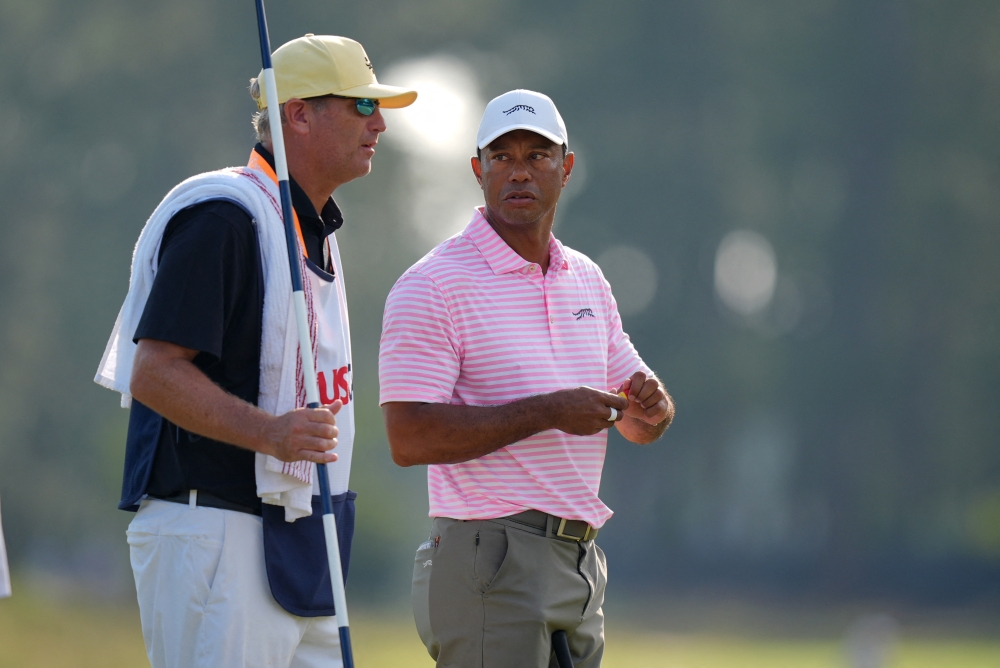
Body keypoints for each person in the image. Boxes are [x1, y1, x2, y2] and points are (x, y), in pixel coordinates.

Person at [95, 35, 415, 668]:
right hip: (213, 529)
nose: (378, 123)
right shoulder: (223, 215)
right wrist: (271, 432)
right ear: (297, 112)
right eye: (359, 106)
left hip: (297, 534)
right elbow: (155, 372)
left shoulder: (311, 226)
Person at [378, 89, 675, 668]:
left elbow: (637, 422)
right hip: (491, 553)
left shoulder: (586, 279)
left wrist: (655, 406)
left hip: (580, 560)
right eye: (502, 157)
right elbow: (408, 439)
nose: (519, 171)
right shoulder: (433, 284)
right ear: (477, 170)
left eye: (537, 155)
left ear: (566, 168)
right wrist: (548, 411)